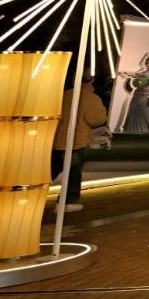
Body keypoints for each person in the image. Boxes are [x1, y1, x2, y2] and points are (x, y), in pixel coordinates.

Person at [51, 71, 110, 212]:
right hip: (76, 141)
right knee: (73, 172)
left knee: (52, 170)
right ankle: (67, 202)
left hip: (57, 140)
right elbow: (97, 119)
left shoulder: (64, 94)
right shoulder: (90, 97)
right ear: (91, 81)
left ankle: (32, 193)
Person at [119, 53, 149, 133]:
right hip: (136, 96)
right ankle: (131, 132)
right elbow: (136, 83)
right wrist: (137, 77)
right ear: (146, 64)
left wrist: (138, 76)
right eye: (148, 63)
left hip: (145, 98)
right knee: (133, 113)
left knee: (148, 116)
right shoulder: (143, 73)